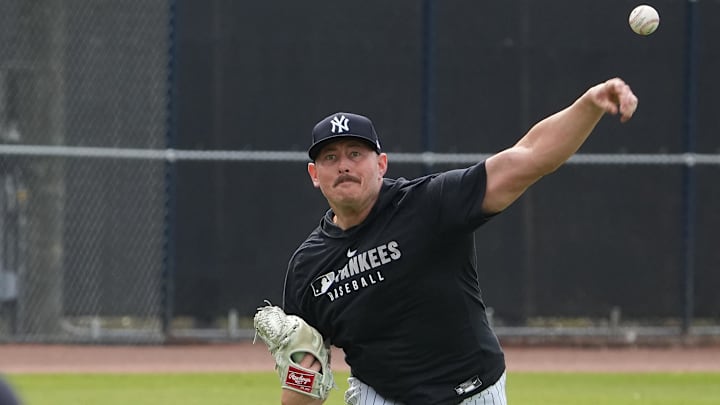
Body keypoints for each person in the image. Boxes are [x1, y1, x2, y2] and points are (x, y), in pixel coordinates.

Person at [281, 78, 638, 405]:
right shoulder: (307, 268)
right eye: (330, 157)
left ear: (382, 164)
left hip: (471, 391)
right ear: (315, 174)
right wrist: (299, 373)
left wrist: (589, 105)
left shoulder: (430, 204)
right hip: (383, 396)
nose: (344, 165)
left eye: (355, 154)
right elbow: (306, 374)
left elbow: (529, 156)